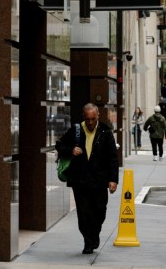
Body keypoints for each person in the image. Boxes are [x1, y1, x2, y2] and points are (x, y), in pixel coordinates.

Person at [55, 103, 119, 254]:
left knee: (99, 210)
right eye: (88, 119)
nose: (90, 123)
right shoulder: (76, 130)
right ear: (83, 116)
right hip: (80, 180)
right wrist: (70, 150)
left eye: (93, 119)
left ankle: (94, 235)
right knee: (84, 213)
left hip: (99, 180)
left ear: (98, 116)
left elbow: (112, 158)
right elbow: (59, 145)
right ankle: (88, 242)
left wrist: (113, 179)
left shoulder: (105, 131)